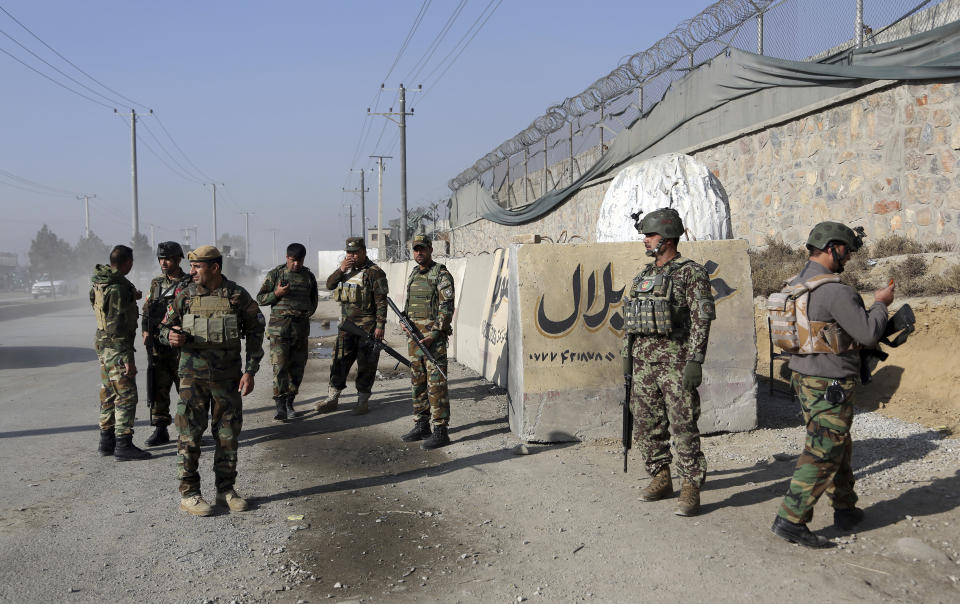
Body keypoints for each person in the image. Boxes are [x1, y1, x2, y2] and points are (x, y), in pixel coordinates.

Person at [770, 222, 894, 548]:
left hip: (803, 376)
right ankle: (790, 519)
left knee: (839, 441)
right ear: (831, 248)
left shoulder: (797, 284)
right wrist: (881, 303)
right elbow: (868, 333)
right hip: (830, 380)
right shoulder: (835, 291)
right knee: (824, 450)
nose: (849, 257)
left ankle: (845, 507)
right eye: (847, 250)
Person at [622, 208, 715, 517]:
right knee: (647, 424)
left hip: (676, 362)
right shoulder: (644, 276)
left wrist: (695, 360)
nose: (645, 241)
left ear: (667, 237)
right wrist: (627, 358)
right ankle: (661, 477)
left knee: (683, 424)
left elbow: (702, 318)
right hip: (644, 362)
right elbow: (631, 320)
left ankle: (690, 484)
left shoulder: (691, 272)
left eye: (650, 236)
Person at [159, 245, 264, 516]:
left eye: (197, 267)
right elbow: (163, 328)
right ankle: (190, 494)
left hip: (227, 380)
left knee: (227, 436)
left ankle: (225, 490)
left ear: (214, 268)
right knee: (189, 436)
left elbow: (256, 330)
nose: (191, 271)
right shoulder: (184, 296)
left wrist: (250, 370)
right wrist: (170, 337)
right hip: (192, 380)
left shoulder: (237, 296)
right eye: (191, 266)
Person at [90, 244, 151, 461]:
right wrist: (128, 359)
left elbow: (100, 308)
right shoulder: (118, 288)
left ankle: (106, 442)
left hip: (102, 344)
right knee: (126, 395)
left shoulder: (100, 281)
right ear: (127, 262)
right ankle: (123, 444)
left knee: (108, 392)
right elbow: (118, 326)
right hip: (116, 348)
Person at [316, 236, 388, 415]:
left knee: (366, 364)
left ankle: (362, 401)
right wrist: (341, 269)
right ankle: (332, 398)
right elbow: (330, 284)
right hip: (347, 327)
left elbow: (381, 302)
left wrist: (380, 326)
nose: (353, 256)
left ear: (364, 251)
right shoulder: (344, 271)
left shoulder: (374, 272)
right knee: (339, 361)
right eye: (349, 252)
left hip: (367, 328)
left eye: (356, 252)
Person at [398, 234, 455, 450]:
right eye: (415, 249)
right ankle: (422, 424)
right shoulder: (414, 274)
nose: (419, 252)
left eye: (422, 248)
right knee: (418, 382)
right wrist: (405, 323)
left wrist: (435, 334)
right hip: (414, 338)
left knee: (436, 384)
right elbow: (409, 304)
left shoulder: (441, 274)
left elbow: (447, 307)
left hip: (432, 340)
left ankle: (441, 430)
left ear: (431, 249)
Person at [256, 243, 318, 422]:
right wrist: (277, 293)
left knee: (297, 368)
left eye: (299, 261)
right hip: (279, 330)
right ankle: (280, 405)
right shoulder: (276, 274)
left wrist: (303, 314)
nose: (296, 265)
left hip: (300, 330)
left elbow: (313, 302)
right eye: (292, 261)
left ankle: (290, 402)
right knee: (280, 367)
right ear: (287, 258)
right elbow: (261, 299)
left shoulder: (308, 276)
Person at [141, 241, 191, 445]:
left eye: (168, 259)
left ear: (179, 260)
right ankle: (160, 428)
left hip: (182, 344)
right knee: (159, 387)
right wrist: (145, 331)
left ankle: (187, 430)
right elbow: (147, 309)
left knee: (186, 389)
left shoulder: (189, 283)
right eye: (161, 258)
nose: (164, 262)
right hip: (159, 346)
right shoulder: (156, 283)